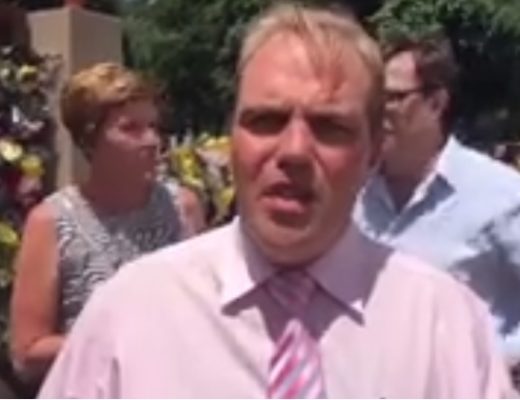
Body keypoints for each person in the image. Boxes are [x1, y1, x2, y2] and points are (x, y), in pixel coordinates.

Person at [39, 4, 513, 398]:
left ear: (372, 154)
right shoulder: (130, 314)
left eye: (329, 127)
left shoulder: (444, 327)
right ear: (233, 139)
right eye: (266, 121)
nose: (293, 151)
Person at [9, 63, 205, 384]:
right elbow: (27, 352)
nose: (151, 140)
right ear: (90, 140)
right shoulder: (52, 222)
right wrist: (120, 341)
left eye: (153, 126)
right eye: (131, 128)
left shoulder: (182, 208)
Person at [353, 32, 520, 378]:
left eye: (392, 98)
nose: (376, 111)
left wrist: (503, 362)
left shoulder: (498, 195)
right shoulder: (353, 195)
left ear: (436, 103)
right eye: (370, 98)